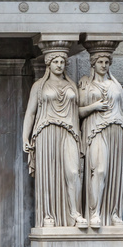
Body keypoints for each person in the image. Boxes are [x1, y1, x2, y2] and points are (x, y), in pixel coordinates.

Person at [23, 44, 84, 228]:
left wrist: (95, 108)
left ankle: (74, 213)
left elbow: (79, 111)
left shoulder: (71, 85)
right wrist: (25, 137)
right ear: (48, 64)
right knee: (47, 175)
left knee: (73, 172)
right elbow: (31, 113)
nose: (59, 65)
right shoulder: (39, 86)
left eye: (62, 62)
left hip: (69, 131)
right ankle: (48, 215)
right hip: (46, 131)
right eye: (55, 61)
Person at [78, 47, 123, 227]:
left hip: (117, 131)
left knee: (114, 174)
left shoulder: (115, 85)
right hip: (95, 129)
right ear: (93, 64)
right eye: (100, 62)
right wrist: (94, 106)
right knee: (100, 170)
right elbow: (77, 112)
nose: (103, 65)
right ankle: (94, 213)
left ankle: (113, 214)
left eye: (106, 62)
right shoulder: (86, 84)